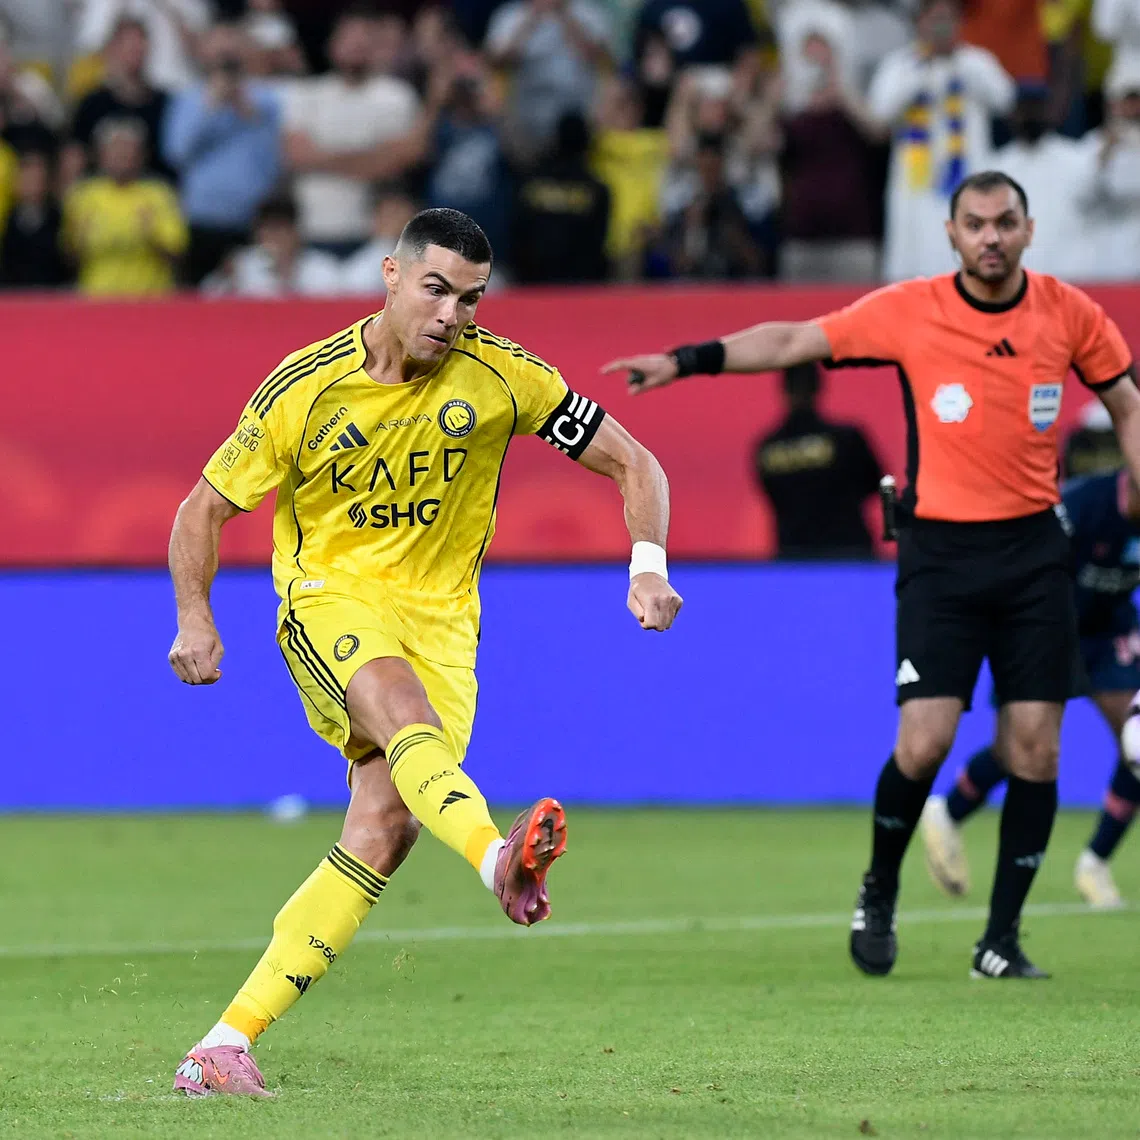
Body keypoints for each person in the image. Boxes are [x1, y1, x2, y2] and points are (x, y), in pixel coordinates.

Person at [168, 208, 682, 1096]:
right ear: (392, 276)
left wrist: (648, 566)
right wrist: (194, 617)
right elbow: (203, 508)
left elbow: (636, 462)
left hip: (445, 623)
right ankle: (496, 859)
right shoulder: (306, 387)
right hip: (330, 600)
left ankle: (223, 1045)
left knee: (387, 824)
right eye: (438, 289)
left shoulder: (504, 377)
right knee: (403, 718)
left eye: (472, 298)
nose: (453, 315)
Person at [603, 170, 1140, 979]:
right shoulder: (911, 310)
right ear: (952, 234)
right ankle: (880, 887)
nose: (990, 238)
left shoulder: (1069, 314)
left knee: (1036, 749)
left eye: (1004, 223)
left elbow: (1127, 403)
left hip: (1036, 554)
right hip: (941, 558)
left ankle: (1000, 941)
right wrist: (689, 358)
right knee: (923, 743)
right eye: (974, 224)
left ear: (1029, 230)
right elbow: (792, 342)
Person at [921, 468, 1140, 910]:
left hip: (1107, 631)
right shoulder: (1080, 508)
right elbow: (1021, 568)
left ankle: (1095, 862)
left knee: (1136, 744)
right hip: (1043, 626)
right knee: (1020, 751)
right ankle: (948, 811)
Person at [869, 0, 1015, 280]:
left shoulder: (976, 61)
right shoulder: (901, 65)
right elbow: (881, 111)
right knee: (915, 258)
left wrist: (956, 62)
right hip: (915, 185)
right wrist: (922, 70)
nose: (941, 26)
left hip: (967, 179)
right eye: (934, 19)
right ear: (919, 23)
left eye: (947, 18)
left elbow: (1004, 99)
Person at [283, 6, 421, 253]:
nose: (356, 44)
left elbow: (402, 159)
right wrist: (371, 159)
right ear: (332, 44)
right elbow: (295, 155)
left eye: (365, 38)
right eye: (349, 37)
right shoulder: (306, 94)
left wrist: (321, 158)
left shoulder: (397, 96)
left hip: (377, 236)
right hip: (312, 228)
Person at [163, 20, 283, 284]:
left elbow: (277, 158)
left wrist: (249, 112)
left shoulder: (266, 99)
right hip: (201, 222)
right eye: (219, 53)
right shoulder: (188, 99)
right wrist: (211, 105)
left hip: (253, 222)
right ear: (204, 54)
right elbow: (176, 154)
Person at [755, 362, 883, 559]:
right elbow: (875, 485)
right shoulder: (846, 438)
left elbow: (772, 495)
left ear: (784, 389)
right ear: (818, 387)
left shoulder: (768, 447)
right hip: (849, 553)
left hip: (793, 557)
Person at [62, 116, 187, 296]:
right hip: (96, 301)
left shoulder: (159, 194)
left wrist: (152, 235)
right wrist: (79, 241)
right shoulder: (83, 196)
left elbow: (178, 254)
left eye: (128, 149)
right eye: (114, 149)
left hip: (150, 301)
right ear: (101, 154)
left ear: (142, 154)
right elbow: (67, 259)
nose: (121, 156)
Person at [484, 0, 612, 160]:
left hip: (578, 120)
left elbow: (600, 56)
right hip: (527, 121)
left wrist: (565, 15)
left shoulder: (588, 12)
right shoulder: (510, 15)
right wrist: (530, 20)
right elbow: (496, 62)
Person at [64, 17, 171, 186]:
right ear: (112, 49)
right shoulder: (92, 104)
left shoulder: (165, 104)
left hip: (150, 203)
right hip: (99, 203)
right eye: (129, 45)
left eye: (140, 45)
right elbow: (74, 158)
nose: (135, 51)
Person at [512, 111, 610, 282]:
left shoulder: (531, 182)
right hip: (579, 285)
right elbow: (598, 244)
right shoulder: (597, 190)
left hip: (533, 283)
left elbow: (518, 233)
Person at [201, 196, 340, 297]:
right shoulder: (241, 265)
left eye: (279, 229)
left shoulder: (323, 267)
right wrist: (225, 279)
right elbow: (205, 297)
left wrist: (286, 272)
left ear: (296, 233)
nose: (274, 237)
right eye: (267, 230)